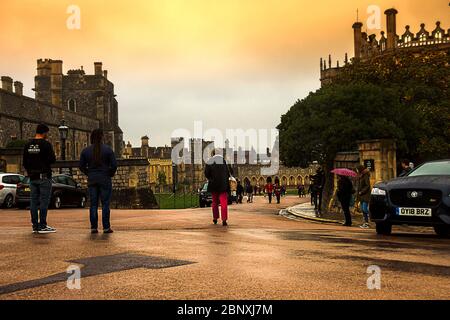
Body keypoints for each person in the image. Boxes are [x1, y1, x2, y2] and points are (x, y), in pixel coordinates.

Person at [79, 129, 117, 234]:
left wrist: (89, 173)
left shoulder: (86, 151)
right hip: (105, 179)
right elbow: (114, 165)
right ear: (102, 137)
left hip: (92, 179)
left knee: (93, 205)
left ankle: (94, 227)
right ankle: (106, 227)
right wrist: (110, 173)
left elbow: (81, 166)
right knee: (105, 204)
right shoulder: (108, 150)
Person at [23, 124, 57, 234]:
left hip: (32, 177)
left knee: (33, 202)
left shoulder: (28, 144)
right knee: (44, 201)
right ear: (44, 133)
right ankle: (42, 225)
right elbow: (52, 159)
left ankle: (35, 225)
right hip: (44, 176)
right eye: (47, 133)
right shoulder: (46, 145)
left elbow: (24, 162)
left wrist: (30, 171)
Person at [204, 150, 232, 226]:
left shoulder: (210, 161)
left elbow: (206, 173)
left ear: (212, 154)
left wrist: (211, 178)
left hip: (214, 184)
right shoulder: (224, 161)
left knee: (215, 202)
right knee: (224, 202)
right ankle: (224, 219)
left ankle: (215, 218)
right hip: (223, 184)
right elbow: (229, 172)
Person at [357, 164, 371, 229]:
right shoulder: (361, 175)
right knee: (363, 209)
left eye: (357, 169)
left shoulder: (365, 175)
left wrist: (362, 191)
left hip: (365, 195)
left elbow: (367, 185)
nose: (357, 171)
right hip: (361, 196)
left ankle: (368, 222)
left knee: (365, 209)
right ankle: (365, 223)